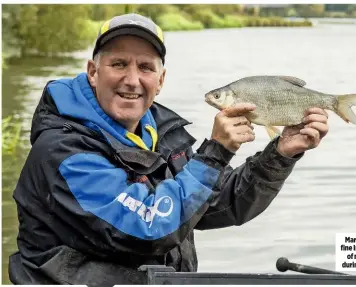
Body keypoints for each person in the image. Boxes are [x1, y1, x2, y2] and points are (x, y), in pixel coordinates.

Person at [8, 13, 329, 286]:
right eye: (119, 64)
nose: (132, 79)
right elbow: (148, 229)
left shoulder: (161, 134)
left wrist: (280, 154)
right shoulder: (64, 150)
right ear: (93, 72)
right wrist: (216, 151)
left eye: (146, 67)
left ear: (160, 80)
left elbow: (221, 203)